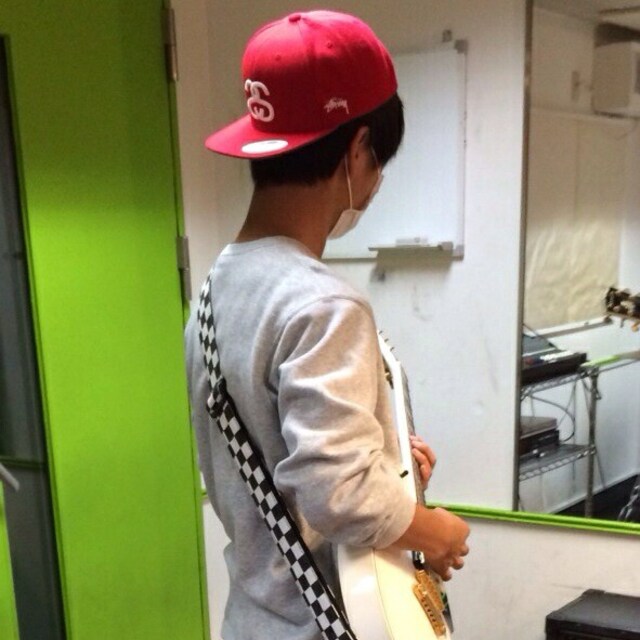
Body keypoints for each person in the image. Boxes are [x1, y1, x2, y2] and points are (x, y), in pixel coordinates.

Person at [184, 10, 470, 640]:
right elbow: (340, 495)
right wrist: (435, 532)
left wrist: (390, 465)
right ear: (359, 148)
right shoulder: (323, 304)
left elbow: (282, 461)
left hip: (254, 620)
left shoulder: (215, 291)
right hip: (327, 623)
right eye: (379, 158)